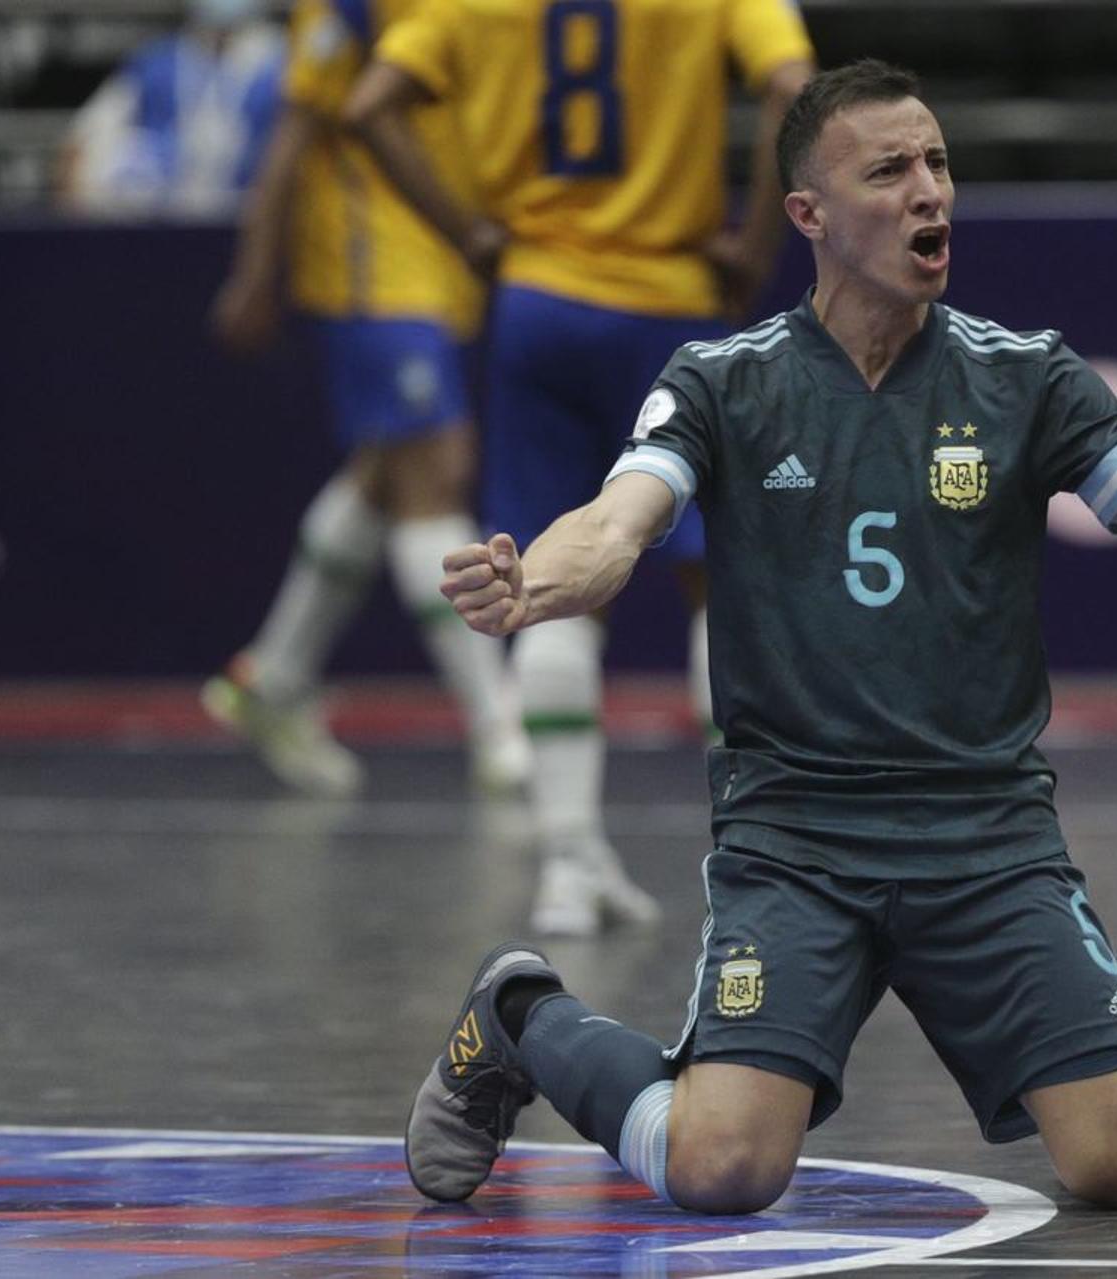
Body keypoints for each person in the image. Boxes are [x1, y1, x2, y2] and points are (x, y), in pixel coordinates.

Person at [410, 60, 1117, 1213]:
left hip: (986, 834)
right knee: (723, 1167)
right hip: (798, 839)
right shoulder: (723, 383)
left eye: (937, 163)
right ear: (808, 216)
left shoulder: (1027, 379)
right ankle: (524, 1018)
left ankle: (1106, 1070)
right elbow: (616, 525)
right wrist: (538, 587)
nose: (931, 192)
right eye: (890, 171)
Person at [340, 0, 814, 932]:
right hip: (671, 304)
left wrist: (471, 235)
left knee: (548, 582)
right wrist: (758, 241)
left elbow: (366, 108)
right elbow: (794, 86)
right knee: (719, 582)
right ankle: (758, 864)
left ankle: (569, 860)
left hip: (538, 304)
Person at [201, 0, 527, 799]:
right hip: (370, 270)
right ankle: (500, 726)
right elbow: (293, 132)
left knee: (383, 476)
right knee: (437, 470)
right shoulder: (345, 7)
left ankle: (270, 678)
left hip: (440, 265)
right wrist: (255, 270)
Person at [58, 0, 285, 219]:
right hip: (164, 225)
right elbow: (80, 140)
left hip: (252, 217)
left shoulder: (283, 64)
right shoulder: (156, 61)